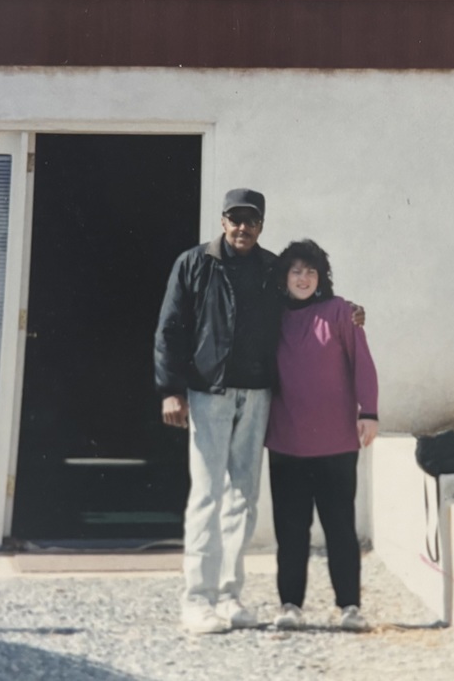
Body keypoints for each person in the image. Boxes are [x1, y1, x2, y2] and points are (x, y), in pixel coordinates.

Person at [154, 190, 363, 634]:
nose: (242, 228)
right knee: (207, 495)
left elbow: (306, 300)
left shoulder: (271, 269)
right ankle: (197, 600)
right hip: (208, 394)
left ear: (261, 225)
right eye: (235, 219)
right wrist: (171, 390)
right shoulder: (193, 264)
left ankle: (229, 596)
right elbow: (170, 328)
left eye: (251, 221)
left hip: (258, 395)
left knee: (243, 499)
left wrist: (349, 311)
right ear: (223, 220)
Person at [265, 239, 379, 632]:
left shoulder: (340, 313)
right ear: (284, 277)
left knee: (340, 529)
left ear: (321, 277)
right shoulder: (272, 318)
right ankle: (290, 605)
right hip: (286, 443)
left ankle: (349, 606)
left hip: (336, 443)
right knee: (291, 532)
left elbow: (363, 363)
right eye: (296, 270)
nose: (303, 277)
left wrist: (370, 412)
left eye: (311, 271)